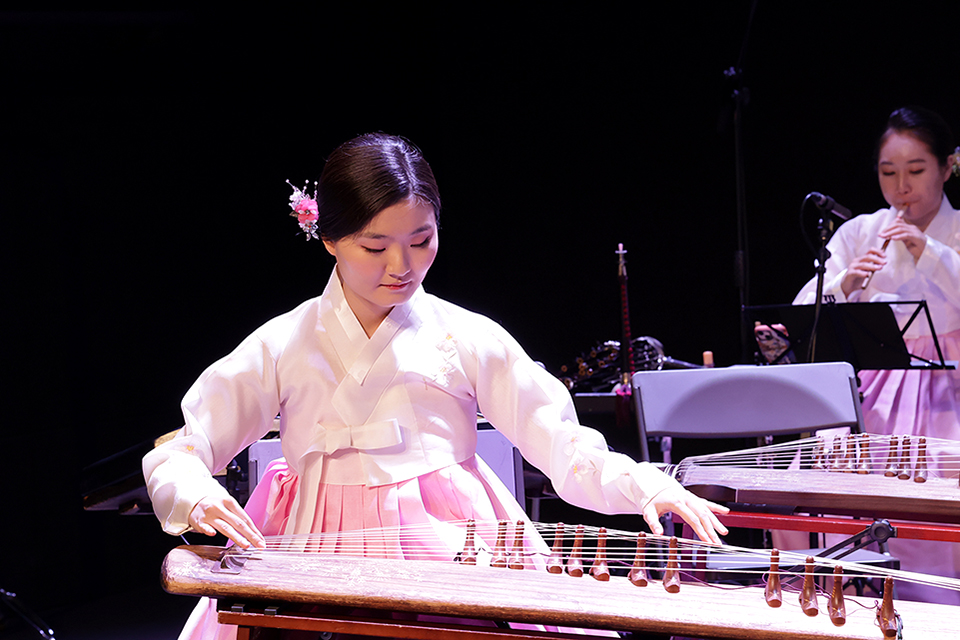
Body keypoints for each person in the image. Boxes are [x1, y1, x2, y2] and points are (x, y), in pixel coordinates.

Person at [143, 133, 729, 639]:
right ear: (327, 237)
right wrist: (193, 490)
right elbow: (185, 447)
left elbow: (562, 445)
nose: (402, 265)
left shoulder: (467, 336)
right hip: (315, 548)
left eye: (421, 240)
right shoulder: (284, 342)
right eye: (375, 246)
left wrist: (645, 486)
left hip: (451, 543)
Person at [794, 106, 960, 605]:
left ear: (948, 166)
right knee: (840, 496)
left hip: (946, 384)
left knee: (929, 507)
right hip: (874, 385)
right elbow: (804, 310)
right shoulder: (860, 231)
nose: (901, 187)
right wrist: (846, 281)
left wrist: (929, 250)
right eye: (889, 173)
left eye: (916, 171)